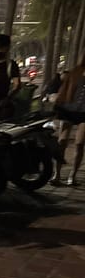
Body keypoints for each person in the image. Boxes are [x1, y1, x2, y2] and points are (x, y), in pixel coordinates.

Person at [51, 51, 85, 186]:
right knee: (62, 141)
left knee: (79, 143)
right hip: (69, 109)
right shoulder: (75, 71)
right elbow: (64, 89)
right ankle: (57, 174)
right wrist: (58, 103)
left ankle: (72, 175)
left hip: (84, 113)